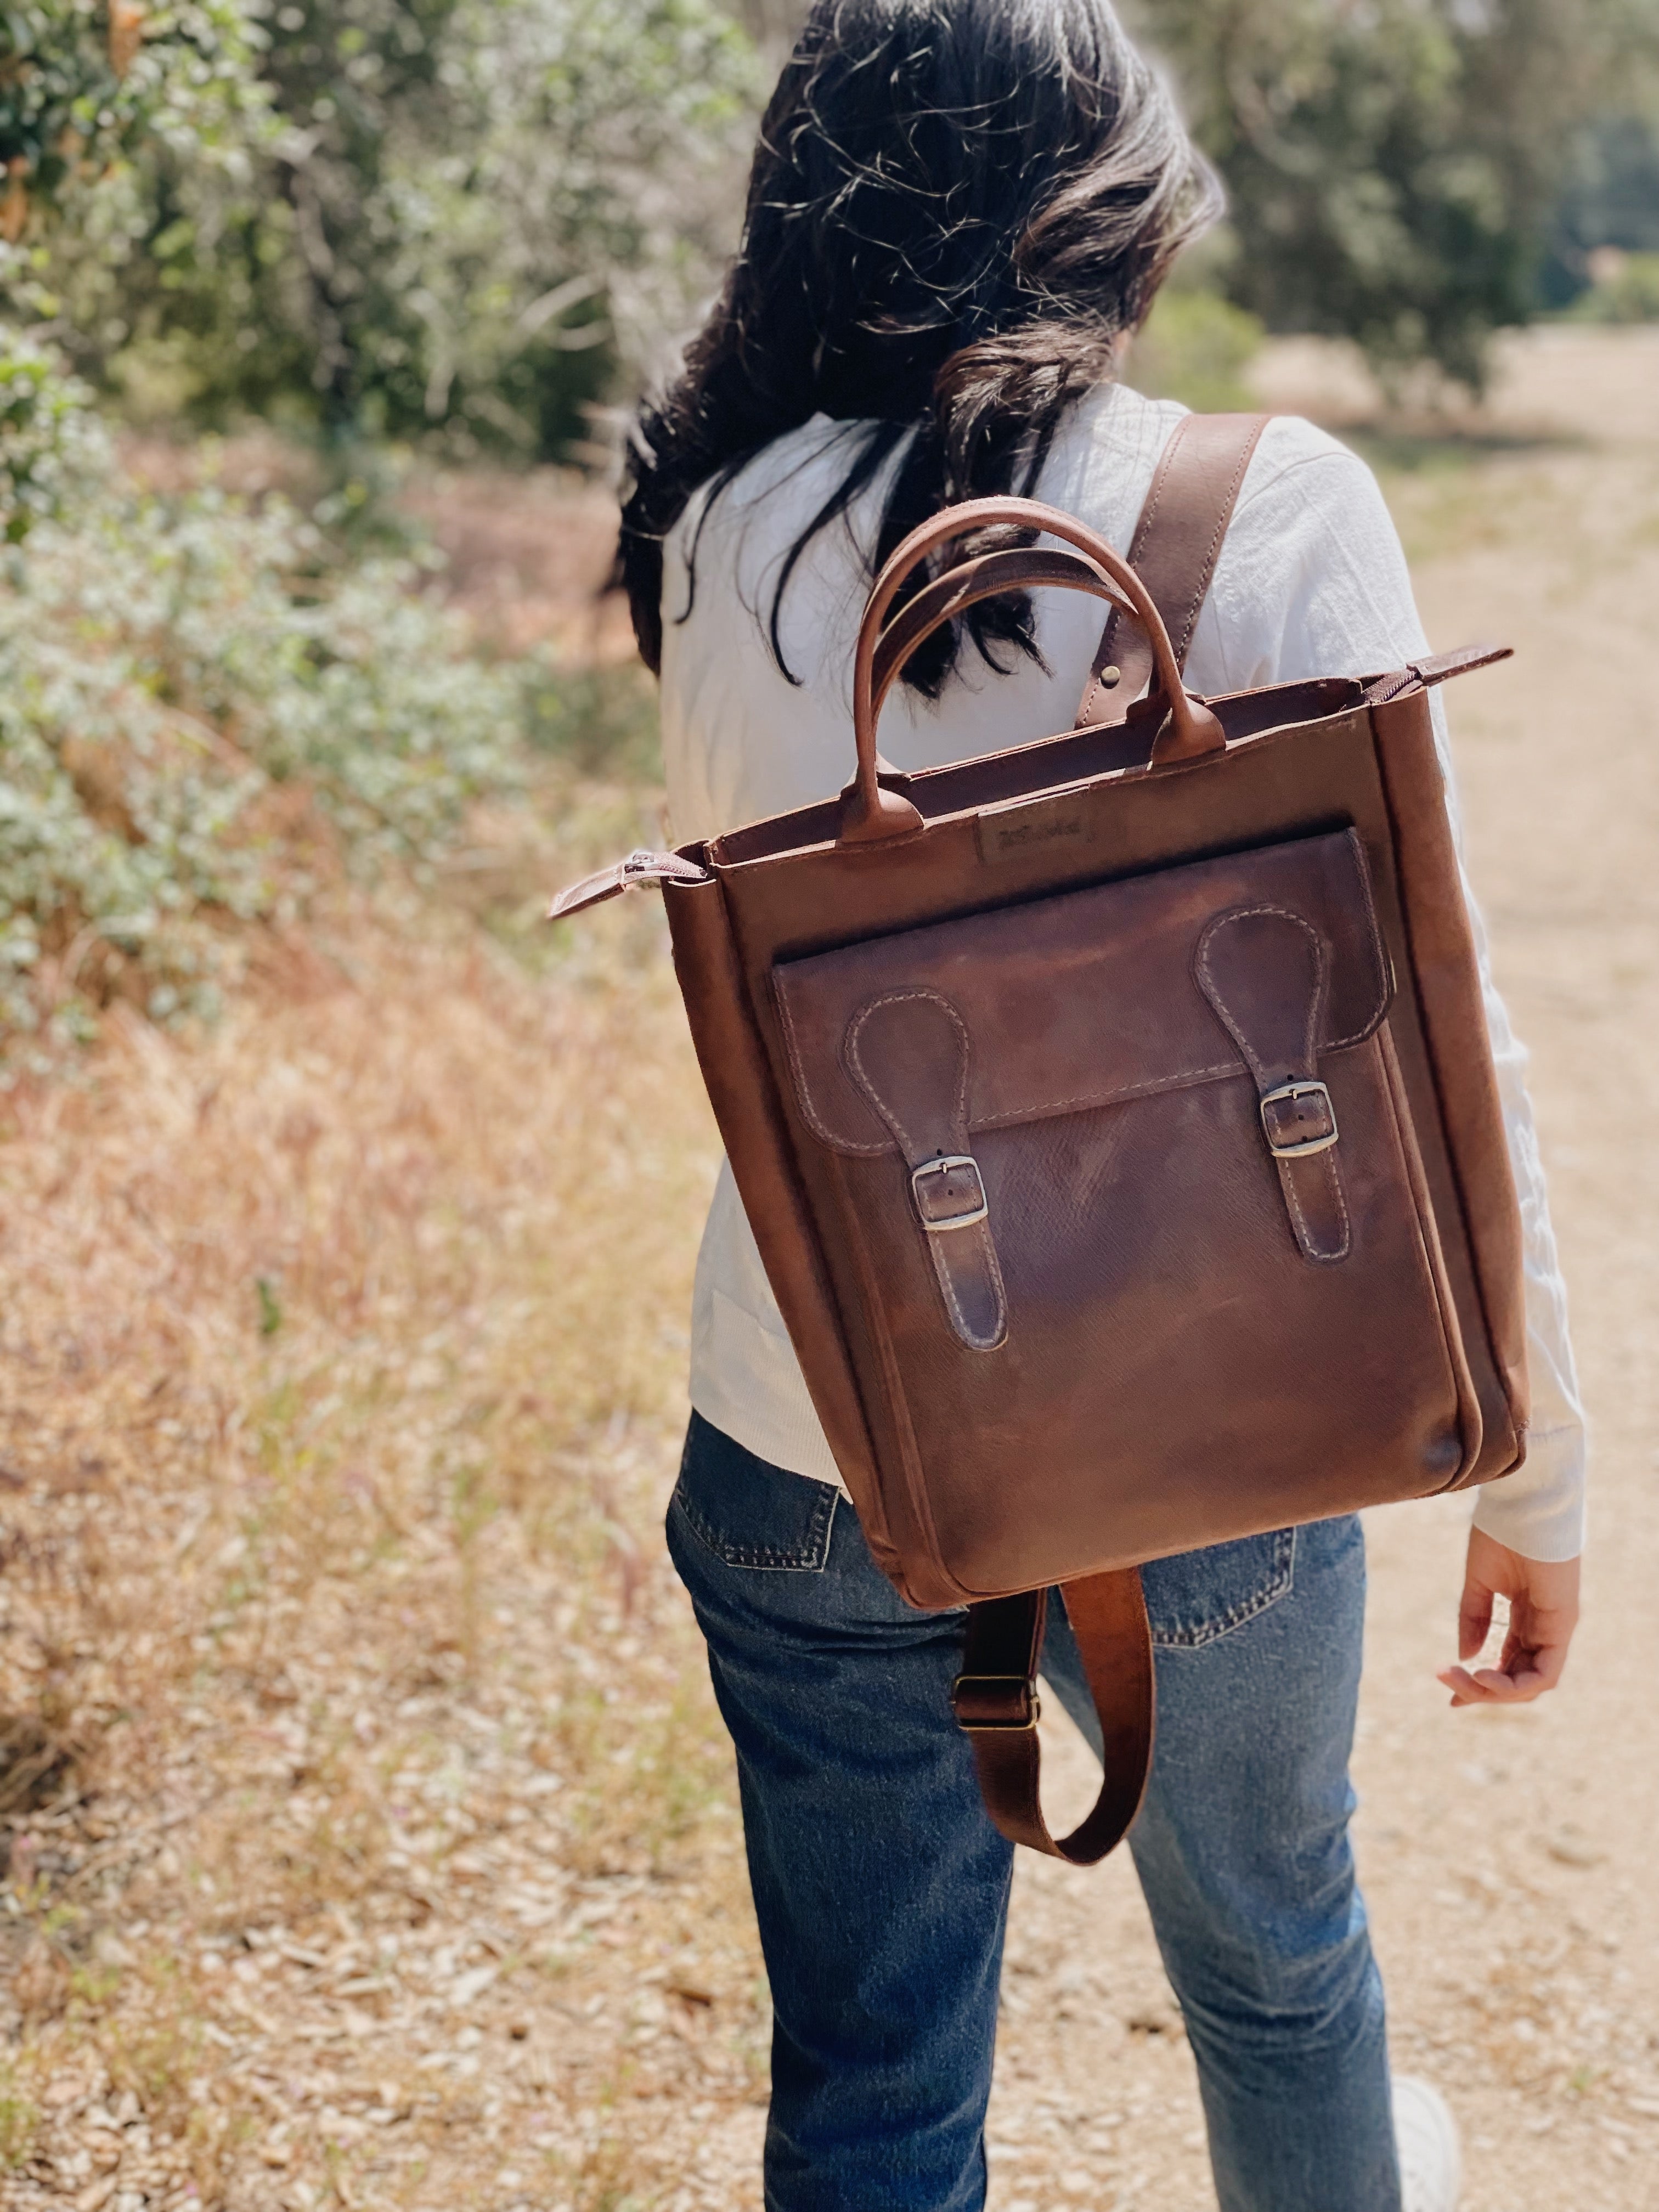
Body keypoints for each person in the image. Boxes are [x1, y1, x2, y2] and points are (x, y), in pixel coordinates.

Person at [614, 4, 1587, 2207]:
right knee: (1277, 1980)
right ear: (1105, 193)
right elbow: (1445, 1046)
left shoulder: (714, 527)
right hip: (1202, 1425)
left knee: (868, 2076)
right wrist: (1537, 1470)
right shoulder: (1262, 502)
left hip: (819, 1420)